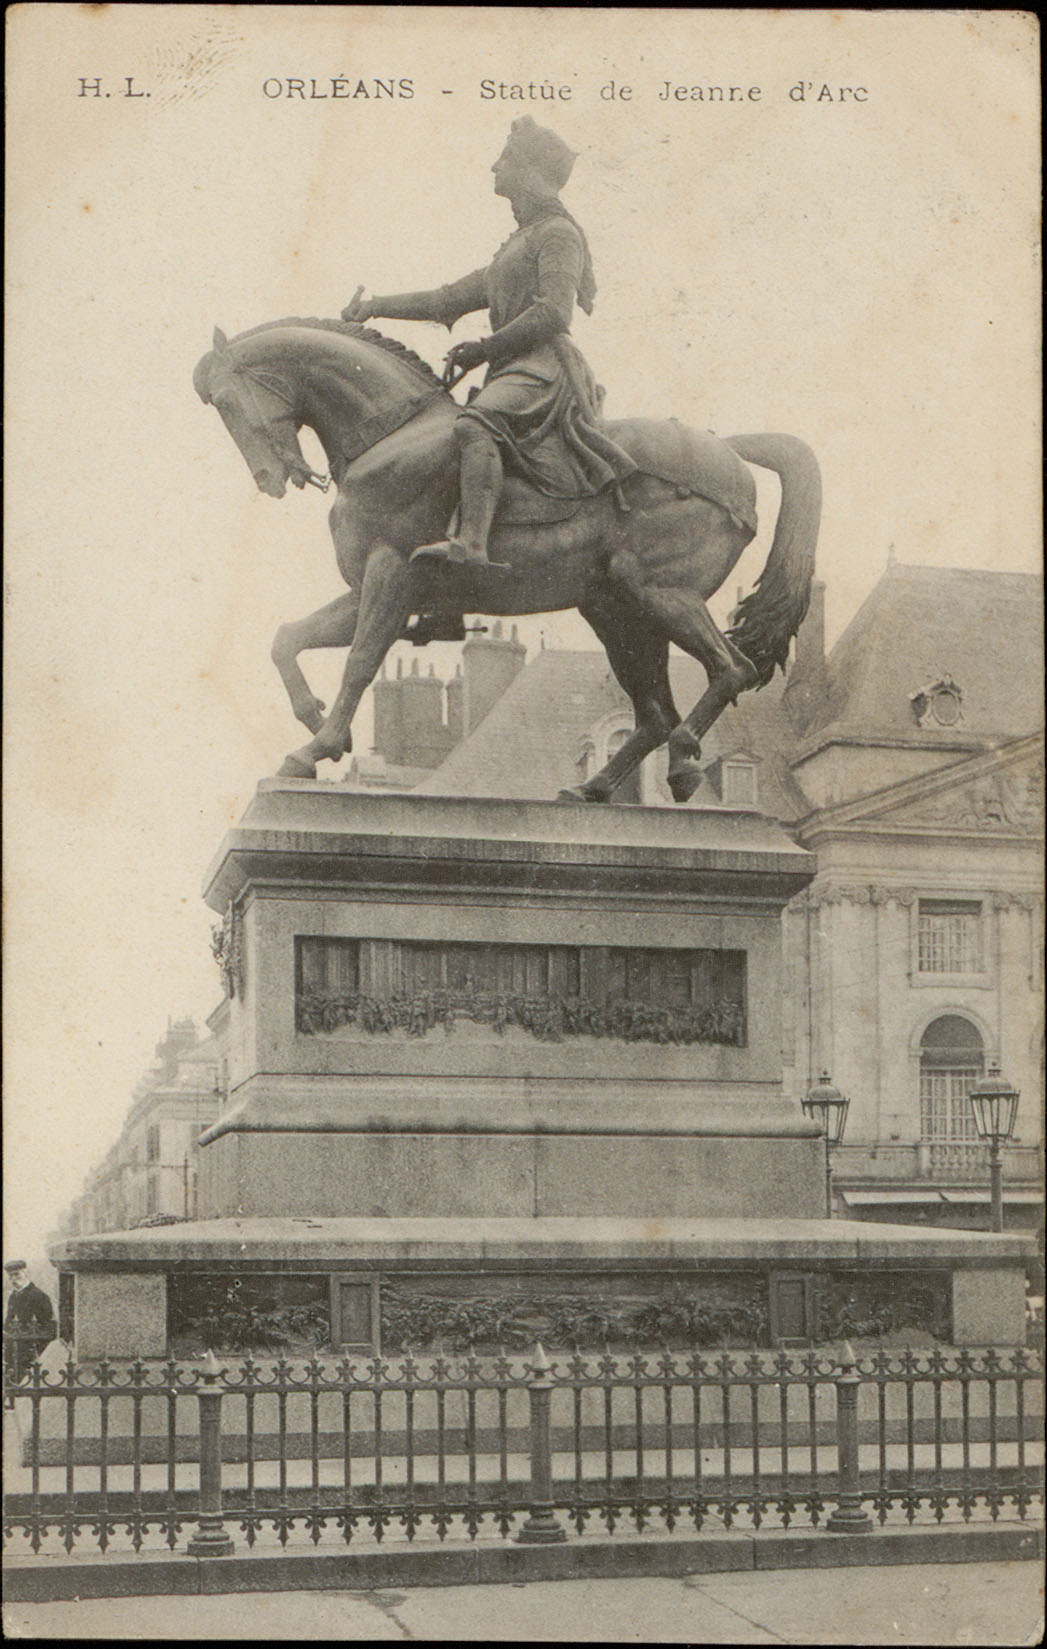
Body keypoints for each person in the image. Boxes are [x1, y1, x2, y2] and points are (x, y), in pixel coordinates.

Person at [342, 116, 636, 579]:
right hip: (512, 368)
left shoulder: (558, 234)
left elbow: (555, 313)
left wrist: (486, 347)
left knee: (475, 425)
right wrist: (375, 307)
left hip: (544, 368)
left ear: (531, 170)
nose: (494, 168)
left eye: (505, 159)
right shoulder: (517, 246)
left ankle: (472, 545)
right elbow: (445, 300)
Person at [3, 1260, 57, 1403]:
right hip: (13, 1348)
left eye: (16, 1275)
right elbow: (8, 1322)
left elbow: (49, 1329)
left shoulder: (39, 1296)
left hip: (30, 1350)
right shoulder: (13, 1295)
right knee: (11, 1381)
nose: (13, 1279)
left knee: (26, 1386)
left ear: (26, 1272)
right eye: (10, 1276)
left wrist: (35, 1349)